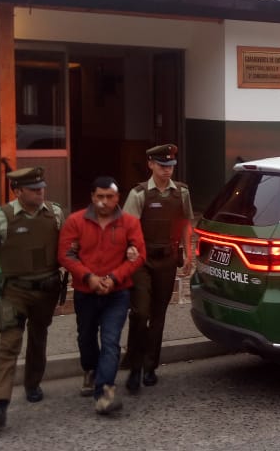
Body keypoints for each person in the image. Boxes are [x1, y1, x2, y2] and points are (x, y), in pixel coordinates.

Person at [0, 166, 64, 429]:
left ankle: (33, 384)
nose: (41, 192)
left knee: (39, 337)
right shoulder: (1, 218)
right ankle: (0, 403)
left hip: (46, 290)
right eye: (34, 189)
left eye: (42, 187)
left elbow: (66, 246)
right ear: (18, 191)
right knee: (9, 343)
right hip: (15, 291)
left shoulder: (54, 213)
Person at [58, 176, 145, 416]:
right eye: (100, 197)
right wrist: (90, 278)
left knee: (110, 342)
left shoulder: (129, 223)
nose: (104, 202)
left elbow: (139, 255)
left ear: (117, 198)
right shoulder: (75, 221)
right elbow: (65, 255)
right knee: (86, 337)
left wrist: (114, 278)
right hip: (86, 292)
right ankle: (90, 369)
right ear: (92, 197)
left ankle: (104, 392)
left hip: (117, 293)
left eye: (109, 197)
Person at [121, 143, 194, 392]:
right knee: (140, 313)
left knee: (159, 315)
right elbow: (127, 228)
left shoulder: (181, 192)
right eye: (162, 166)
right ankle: (134, 362)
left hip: (168, 258)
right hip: (142, 260)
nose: (167, 171)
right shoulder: (139, 194)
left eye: (171, 166)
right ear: (150, 164)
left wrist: (189, 252)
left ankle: (150, 366)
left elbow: (185, 222)